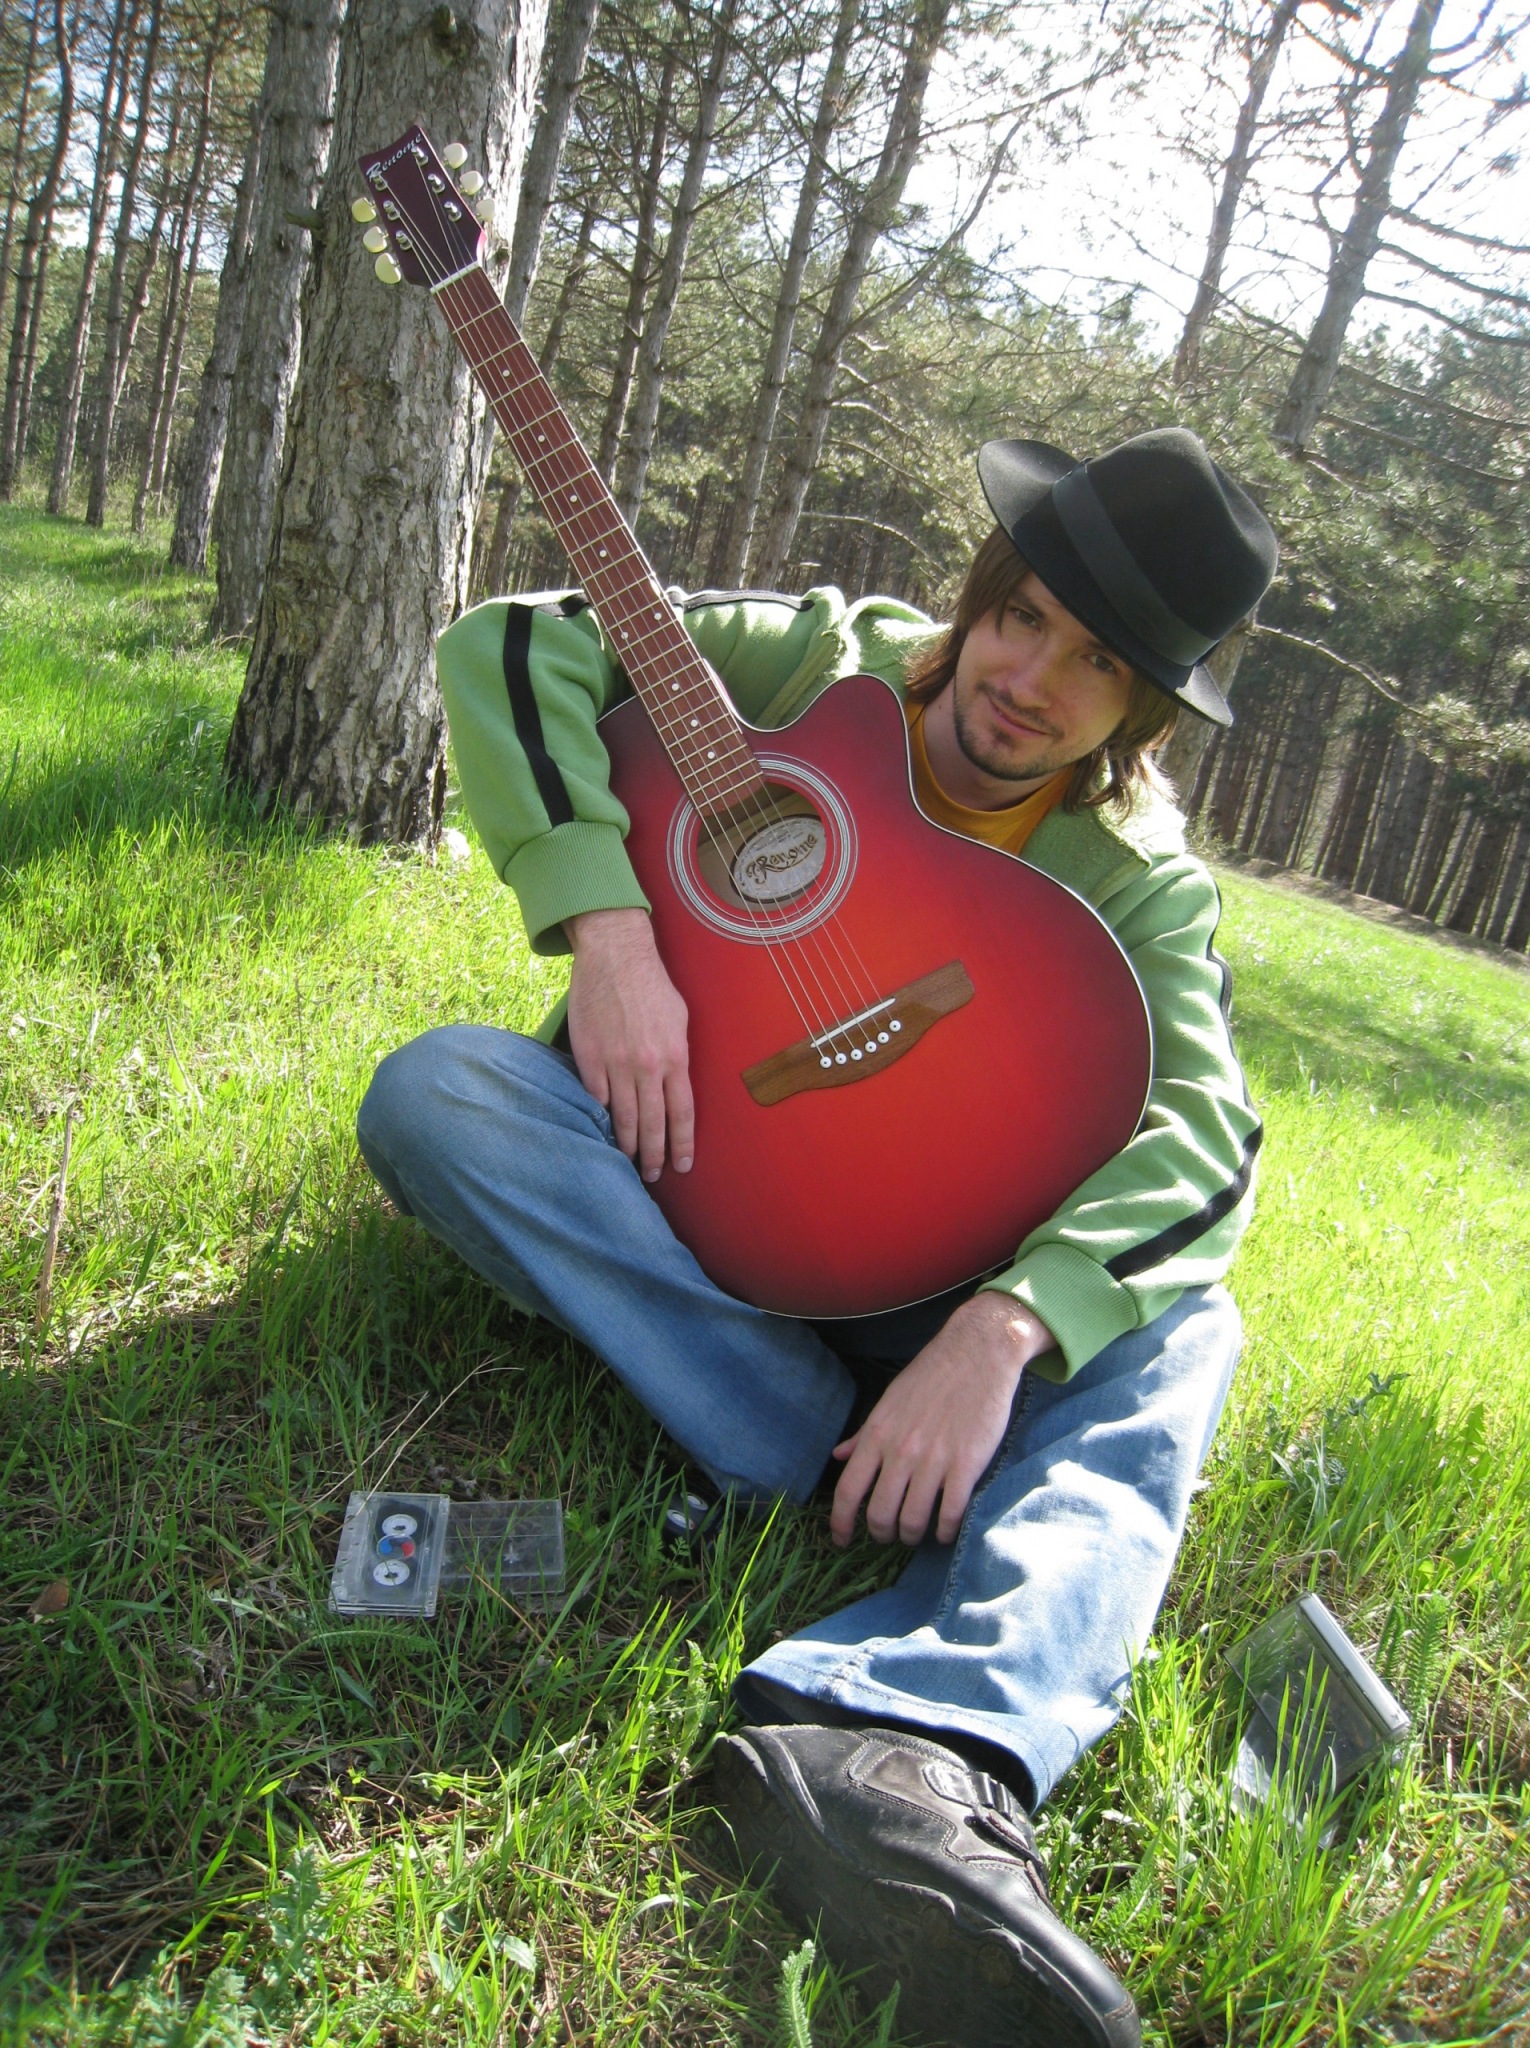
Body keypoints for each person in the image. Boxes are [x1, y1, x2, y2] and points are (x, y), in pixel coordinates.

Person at [357, 427, 1278, 2048]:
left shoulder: (1141, 879)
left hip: (932, 1286)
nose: (1031, 683)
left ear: (1141, 710)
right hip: (685, 1188)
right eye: (1025, 619)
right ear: (983, 595)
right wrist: (608, 931)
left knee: (1187, 1331)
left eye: (1098, 664)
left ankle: (911, 1749)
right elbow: (510, 642)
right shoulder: (817, 661)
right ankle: (806, 1445)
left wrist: (998, 1333)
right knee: (441, 1093)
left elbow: (1209, 1139)